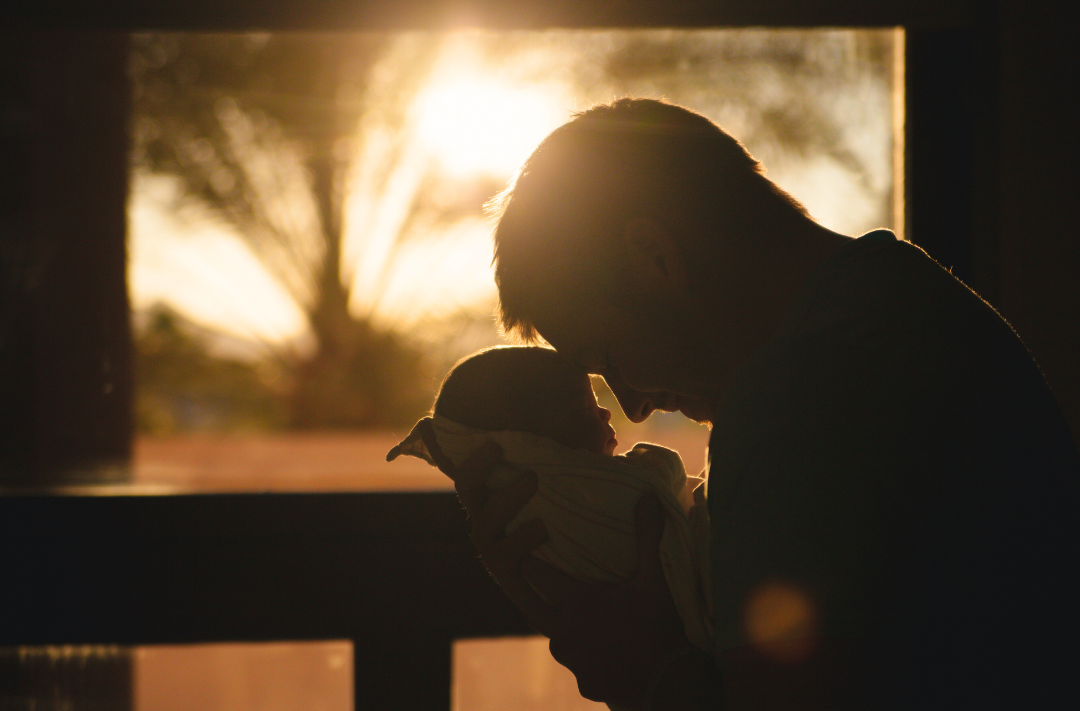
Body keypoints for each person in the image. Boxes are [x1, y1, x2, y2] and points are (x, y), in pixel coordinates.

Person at [448, 98, 1080, 710]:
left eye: (609, 359)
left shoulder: (797, 398)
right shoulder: (914, 304)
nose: (634, 409)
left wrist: (640, 668)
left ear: (654, 258)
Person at [387, 345, 714, 662]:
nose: (611, 411)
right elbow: (663, 475)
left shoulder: (519, 517)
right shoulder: (578, 494)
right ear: (526, 443)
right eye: (586, 409)